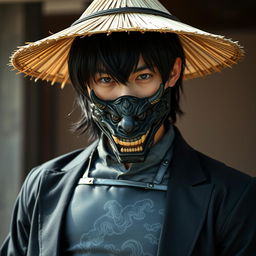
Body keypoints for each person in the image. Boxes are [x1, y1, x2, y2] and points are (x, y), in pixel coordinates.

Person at [1, 0, 256, 255]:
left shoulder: (233, 195)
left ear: (172, 73)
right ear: (85, 84)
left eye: (143, 77)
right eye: (106, 80)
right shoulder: (42, 185)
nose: (126, 103)